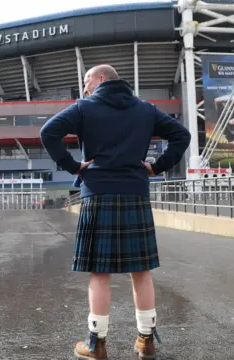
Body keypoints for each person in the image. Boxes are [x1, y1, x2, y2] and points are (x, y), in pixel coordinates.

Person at [39, 64, 191, 359]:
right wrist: (157, 166)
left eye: (86, 81)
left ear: (101, 79)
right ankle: (145, 339)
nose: (84, 89)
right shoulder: (145, 109)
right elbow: (181, 135)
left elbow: (48, 132)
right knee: (141, 270)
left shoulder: (85, 107)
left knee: (99, 272)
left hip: (98, 193)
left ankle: (96, 344)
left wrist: (73, 167)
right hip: (135, 191)